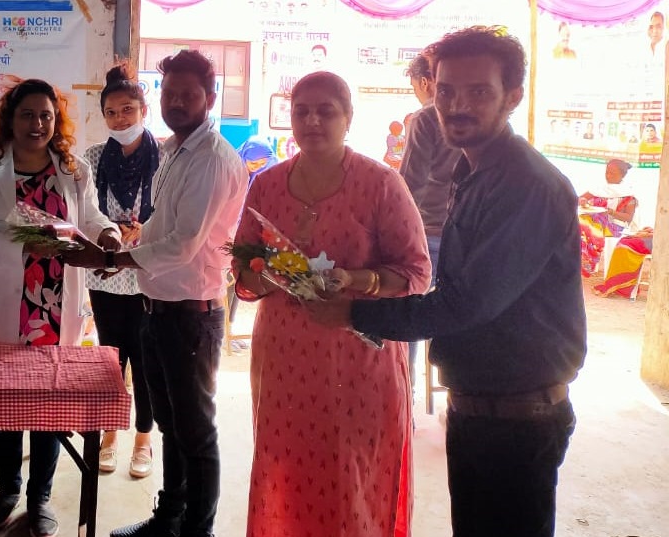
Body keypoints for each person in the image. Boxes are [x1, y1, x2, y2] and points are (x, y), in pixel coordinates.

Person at [309, 27, 586, 537]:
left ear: (512, 96)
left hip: (519, 418)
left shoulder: (527, 184)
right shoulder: (472, 170)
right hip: (478, 407)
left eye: (478, 91)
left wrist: (353, 311)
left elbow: (466, 303)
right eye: (446, 91)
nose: (457, 106)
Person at [234, 71, 429, 537]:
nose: (312, 121)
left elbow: (416, 274)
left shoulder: (380, 184)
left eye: (326, 111)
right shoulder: (267, 185)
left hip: (358, 364)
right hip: (285, 364)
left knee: (354, 481)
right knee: (287, 472)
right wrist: (271, 274)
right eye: (301, 111)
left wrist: (354, 279)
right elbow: (242, 271)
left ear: (348, 118)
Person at [64, 49, 248, 537]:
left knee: (197, 434)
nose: (177, 102)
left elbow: (183, 245)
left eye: (189, 94)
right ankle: (168, 520)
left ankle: (197, 530)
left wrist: (111, 261)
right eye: (170, 93)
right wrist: (118, 240)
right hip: (158, 308)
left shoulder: (210, 159)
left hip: (190, 315)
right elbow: (158, 228)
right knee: (172, 426)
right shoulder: (175, 152)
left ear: (210, 98)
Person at [0, 77, 120, 537]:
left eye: (46, 115)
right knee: (5, 402)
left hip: (57, 302)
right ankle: (8, 488)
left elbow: (90, 217)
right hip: (8, 299)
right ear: (10, 119)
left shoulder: (72, 169)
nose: (37, 124)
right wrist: (23, 247)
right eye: (27, 114)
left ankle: (39, 498)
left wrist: (108, 233)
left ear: (56, 120)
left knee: (51, 403)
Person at [80, 65, 159, 479]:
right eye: (111, 113)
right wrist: (111, 231)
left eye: (128, 109)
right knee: (111, 359)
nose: (120, 119)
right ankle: (110, 435)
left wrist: (145, 228)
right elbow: (85, 211)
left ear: (144, 110)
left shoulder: (164, 157)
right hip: (106, 274)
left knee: (145, 362)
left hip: (147, 274)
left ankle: (144, 440)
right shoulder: (94, 158)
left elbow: (171, 210)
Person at [399, 52, 462, 382]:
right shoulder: (472, 117)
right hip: (464, 234)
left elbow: (410, 183)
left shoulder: (425, 117)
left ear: (425, 82)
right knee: (458, 313)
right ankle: (455, 387)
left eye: (414, 87)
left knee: (410, 310)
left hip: (428, 232)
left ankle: (406, 386)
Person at [578, 158, 637, 277]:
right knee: (580, 222)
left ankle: (588, 263)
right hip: (596, 223)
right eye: (607, 172)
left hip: (615, 227)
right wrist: (583, 201)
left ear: (622, 175)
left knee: (587, 226)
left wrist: (611, 212)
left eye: (612, 174)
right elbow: (579, 199)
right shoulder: (600, 188)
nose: (608, 176)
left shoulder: (628, 193)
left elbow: (628, 218)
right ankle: (583, 262)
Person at [593, 227, 654, 297]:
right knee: (624, 241)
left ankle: (621, 284)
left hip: (659, 241)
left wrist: (647, 234)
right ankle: (619, 284)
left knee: (625, 244)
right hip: (656, 237)